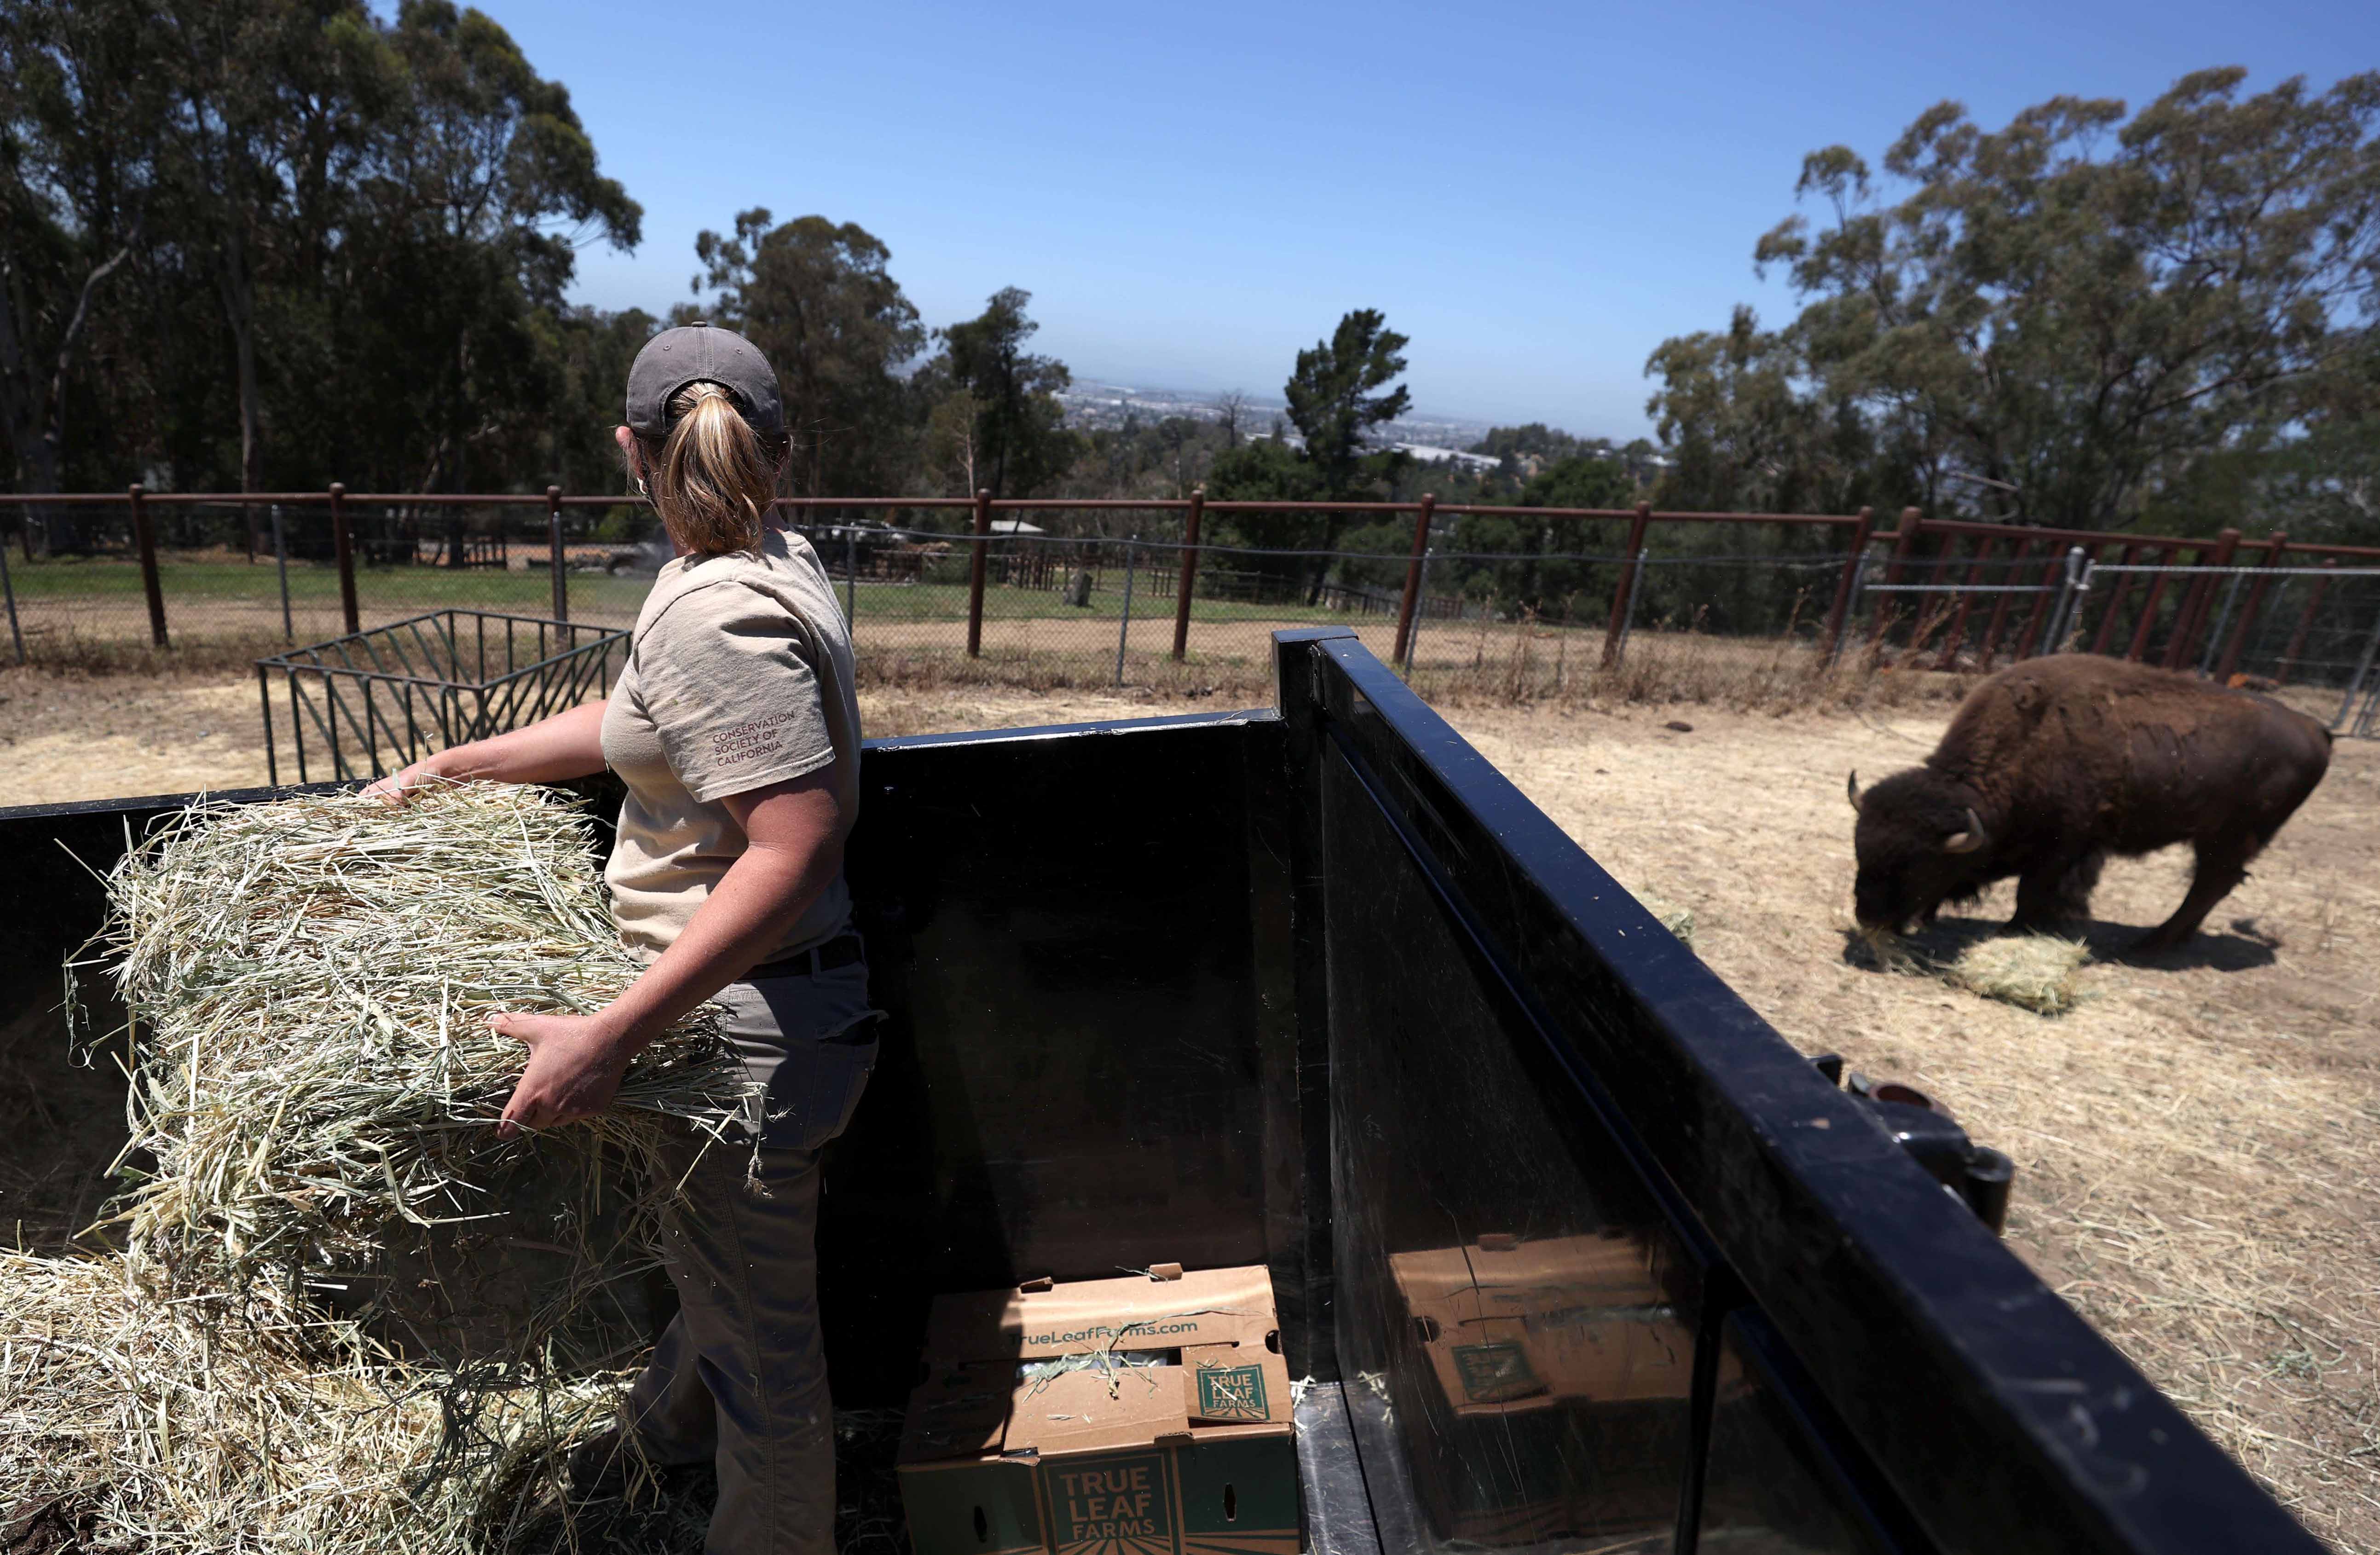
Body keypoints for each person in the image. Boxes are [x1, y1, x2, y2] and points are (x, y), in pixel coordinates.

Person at [364, 322, 870, 1555]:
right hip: (750, 1027)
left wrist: (610, 1032)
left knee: (768, 1364)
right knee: (719, 1287)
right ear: (780, 450)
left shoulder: (716, 610)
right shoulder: (753, 563)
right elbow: (644, 718)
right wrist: (459, 761)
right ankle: (652, 1446)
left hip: (741, 1046)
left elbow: (794, 847)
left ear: (626, 449)